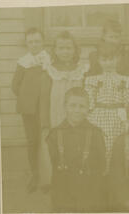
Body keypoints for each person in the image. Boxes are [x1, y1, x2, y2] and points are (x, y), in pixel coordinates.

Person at [39, 31, 88, 189]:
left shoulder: (82, 70)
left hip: (77, 114)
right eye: (61, 48)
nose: (65, 52)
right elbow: (44, 98)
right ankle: (56, 180)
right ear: (55, 50)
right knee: (57, 145)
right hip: (56, 113)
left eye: (69, 48)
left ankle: (75, 178)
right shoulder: (49, 71)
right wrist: (45, 121)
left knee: (76, 144)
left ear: (75, 50)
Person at [47, 87, 105, 212]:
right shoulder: (54, 134)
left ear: (88, 107)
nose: (77, 110)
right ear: (65, 106)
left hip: (90, 192)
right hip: (63, 193)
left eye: (82, 106)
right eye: (72, 105)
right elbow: (51, 168)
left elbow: (101, 165)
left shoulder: (96, 133)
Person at [84, 42, 129, 174]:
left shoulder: (125, 80)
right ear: (99, 60)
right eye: (104, 60)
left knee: (117, 148)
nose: (108, 63)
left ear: (118, 59)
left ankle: (115, 177)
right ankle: (101, 177)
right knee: (100, 147)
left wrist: (127, 119)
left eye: (111, 59)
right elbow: (88, 102)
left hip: (118, 118)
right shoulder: (92, 80)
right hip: (98, 117)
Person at [11, 27, 51, 193]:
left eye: (37, 41)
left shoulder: (49, 60)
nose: (34, 44)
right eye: (30, 42)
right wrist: (28, 98)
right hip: (29, 110)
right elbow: (15, 86)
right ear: (26, 44)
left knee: (48, 140)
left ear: (43, 42)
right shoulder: (23, 62)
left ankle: (48, 176)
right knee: (32, 141)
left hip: (47, 107)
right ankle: (35, 175)